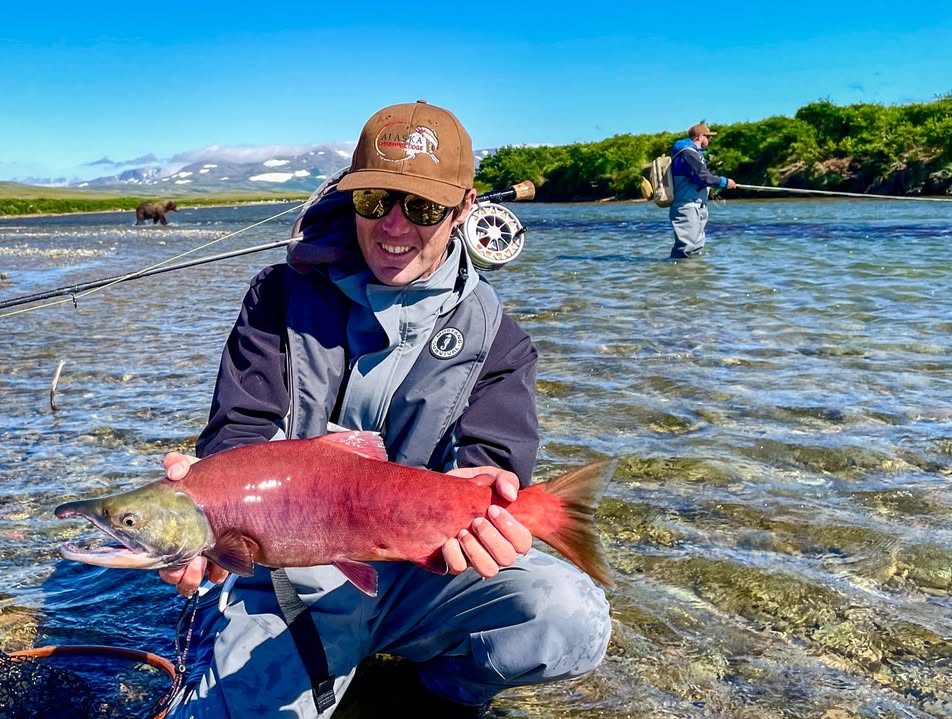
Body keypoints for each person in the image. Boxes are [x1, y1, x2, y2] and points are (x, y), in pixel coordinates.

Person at [158, 100, 612, 718]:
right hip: (289, 577)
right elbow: (238, 431)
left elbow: (493, 464)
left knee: (569, 618)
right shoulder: (276, 296)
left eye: (423, 208)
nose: (394, 226)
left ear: (463, 209)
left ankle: (440, 692)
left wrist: (492, 491)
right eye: (375, 200)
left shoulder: (499, 341)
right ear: (350, 196)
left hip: (425, 571)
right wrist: (208, 499)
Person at [668, 122, 737, 258]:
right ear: (699, 137)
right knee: (685, 249)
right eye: (708, 136)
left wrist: (709, 189)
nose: (709, 140)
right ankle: (677, 270)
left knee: (696, 249)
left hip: (696, 206)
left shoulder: (693, 153)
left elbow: (697, 178)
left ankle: (693, 272)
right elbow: (702, 176)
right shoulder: (687, 152)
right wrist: (725, 182)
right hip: (687, 207)